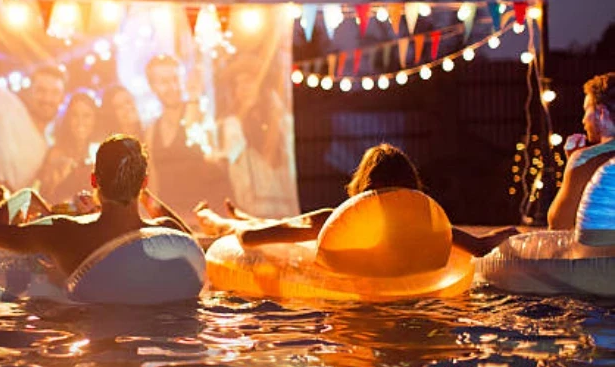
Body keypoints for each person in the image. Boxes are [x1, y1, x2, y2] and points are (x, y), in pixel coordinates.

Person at [195, 143, 516, 256]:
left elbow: (251, 239)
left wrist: (238, 229)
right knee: (265, 225)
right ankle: (228, 217)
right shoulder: (427, 224)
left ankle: (223, 220)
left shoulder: (333, 221)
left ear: (364, 186)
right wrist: (510, 232)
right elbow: (480, 247)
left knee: (262, 226)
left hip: (346, 303)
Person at [0, 134, 193, 287]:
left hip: (82, 338)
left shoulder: (63, 232)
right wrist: (134, 184)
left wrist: (21, 195)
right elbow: (193, 248)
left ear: (93, 180)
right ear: (145, 183)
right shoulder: (168, 232)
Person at [144, 54, 233, 219]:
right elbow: (153, 179)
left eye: (175, 79)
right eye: (164, 82)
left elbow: (193, 130)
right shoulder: (151, 130)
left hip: (203, 217)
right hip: (171, 219)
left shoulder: (199, 114)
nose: (172, 87)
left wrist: (194, 97)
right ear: (152, 86)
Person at [217, 55, 298, 218]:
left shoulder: (281, 120)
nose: (242, 88)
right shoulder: (232, 123)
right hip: (250, 205)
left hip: (282, 205)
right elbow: (232, 155)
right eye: (238, 84)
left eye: (248, 82)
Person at [0, 66, 66, 192]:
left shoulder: (47, 146)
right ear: (30, 92)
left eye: (55, 92)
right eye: (41, 90)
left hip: (3, 208)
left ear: (62, 98)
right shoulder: (10, 106)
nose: (47, 98)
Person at [547, 72, 615, 230]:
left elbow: (558, 225)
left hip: (597, 252)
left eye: (586, 110)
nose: (583, 120)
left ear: (601, 113)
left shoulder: (586, 158)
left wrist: (573, 165)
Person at [38, 90, 100, 204]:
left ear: (95, 119)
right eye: (75, 115)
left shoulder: (99, 152)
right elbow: (44, 195)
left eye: (86, 116)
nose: (80, 122)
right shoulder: (56, 154)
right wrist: (57, 178)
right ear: (67, 119)